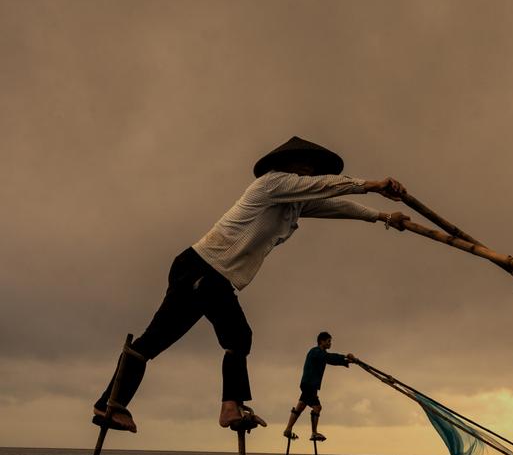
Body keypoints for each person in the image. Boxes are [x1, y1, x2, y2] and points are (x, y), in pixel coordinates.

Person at [92, 136, 410, 434]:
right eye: (307, 167)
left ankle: (113, 404)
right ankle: (220, 407)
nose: (311, 173)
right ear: (293, 165)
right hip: (202, 269)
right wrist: (372, 185)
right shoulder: (273, 183)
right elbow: (324, 185)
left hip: (210, 274)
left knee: (163, 341)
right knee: (232, 336)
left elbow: (334, 204)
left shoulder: (292, 202)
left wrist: (382, 216)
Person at [283, 332, 354, 443]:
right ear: (321, 341)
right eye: (328, 341)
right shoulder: (316, 352)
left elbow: (330, 359)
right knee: (317, 407)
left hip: (310, 384)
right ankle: (314, 432)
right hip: (309, 384)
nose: (330, 343)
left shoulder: (321, 353)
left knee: (301, 406)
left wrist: (347, 361)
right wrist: (345, 357)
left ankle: (288, 429)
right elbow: (330, 358)